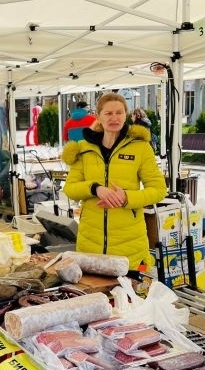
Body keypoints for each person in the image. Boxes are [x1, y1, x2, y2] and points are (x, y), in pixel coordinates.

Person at [62, 92, 167, 270]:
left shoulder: (141, 148)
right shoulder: (84, 149)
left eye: (119, 113)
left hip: (130, 247)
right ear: (98, 116)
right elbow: (70, 189)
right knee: (93, 295)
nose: (114, 118)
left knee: (129, 296)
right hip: (90, 245)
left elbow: (159, 189)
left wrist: (127, 197)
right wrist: (95, 189)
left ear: (125, 115)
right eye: (108, 113)